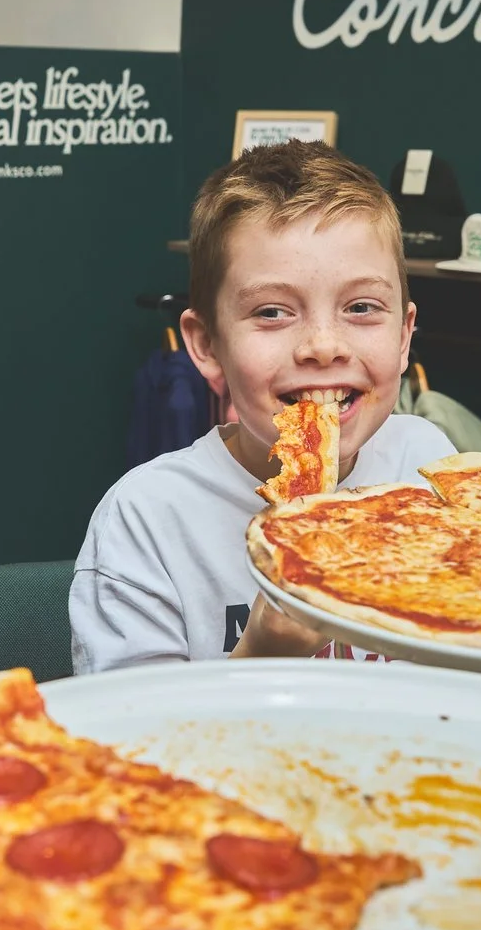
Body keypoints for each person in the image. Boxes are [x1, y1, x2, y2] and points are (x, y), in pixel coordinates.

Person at [71, 143, 454, 671]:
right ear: (206, 345)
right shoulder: (147, 519)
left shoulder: (431, 466)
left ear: (405, 334)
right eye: (273, 312)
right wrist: (261, 653)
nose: (324, 346)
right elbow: (131, 744)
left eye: (362, 307)